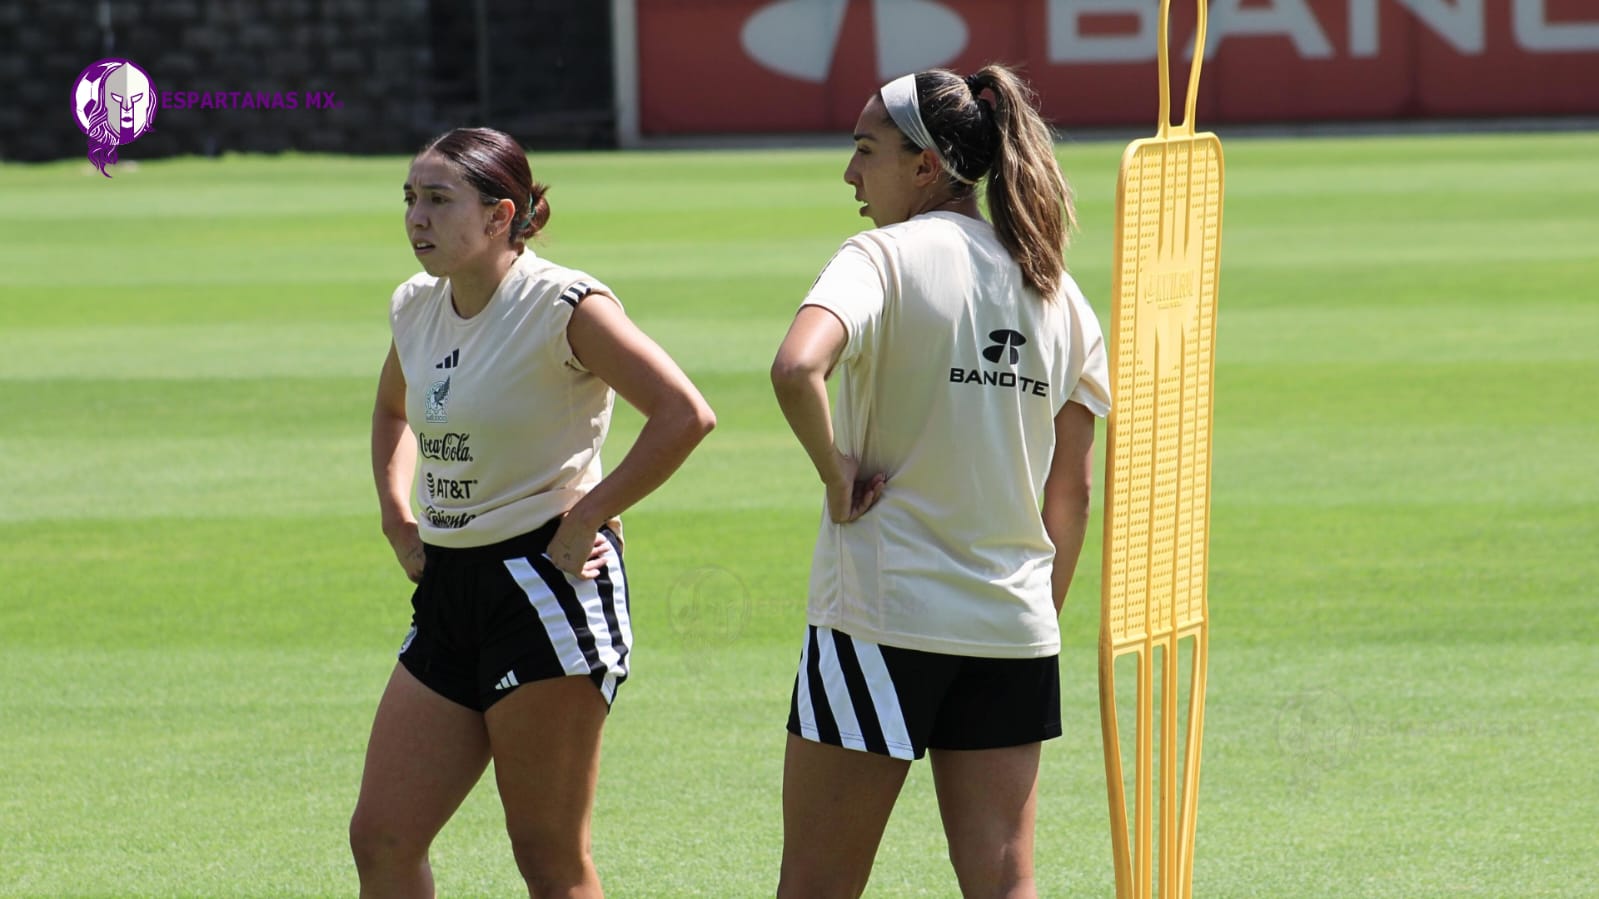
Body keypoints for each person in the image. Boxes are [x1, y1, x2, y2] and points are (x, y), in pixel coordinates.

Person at [769, 65, 1111, 898]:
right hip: (1011, 627)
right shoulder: (1060, 294)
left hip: (881, 620)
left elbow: (794, 366)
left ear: (924, 165)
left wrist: (834, 471)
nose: (849, 173)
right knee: (1005, 885)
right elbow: (1070, 497)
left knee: (816, 884)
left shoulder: (878, 257)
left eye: (864, 150)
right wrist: (1029, 613)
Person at [349, 126, 716, 899]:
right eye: (410, 199)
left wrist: (589, 514)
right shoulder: (416, 306)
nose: (416, 217)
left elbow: (683, 413)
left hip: (546, 589)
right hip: (449, 591)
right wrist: (396, 517)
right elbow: (393, 410)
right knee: (381, 836)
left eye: (439, 200)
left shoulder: (561, 304)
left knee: (548, 859)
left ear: (499, 213)